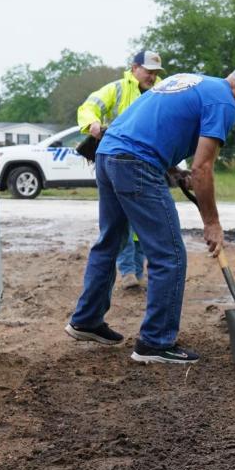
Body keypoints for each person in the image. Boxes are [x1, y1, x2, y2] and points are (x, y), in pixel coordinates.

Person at [65, 60, 235, 364]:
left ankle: (86, 320)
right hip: (135, 163)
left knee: (110, 240)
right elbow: (203, 168)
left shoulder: (191, 80)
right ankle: (155, 342)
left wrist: (172, 169)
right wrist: (213, 223)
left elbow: (152, 125)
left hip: (109, 154)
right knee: (170, 254)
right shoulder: (224, 103)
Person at [76, 50, 164, 290]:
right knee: (122, 219)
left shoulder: (161, 92)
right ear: (134, 68)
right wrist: (93, 124)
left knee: (143, 221)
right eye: (148, 71)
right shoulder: (117, 89)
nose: (152, 76)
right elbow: (89, 107)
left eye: (156, 73)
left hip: (147, 164)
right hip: (118, 163)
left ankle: (137, 270)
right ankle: (127, 272)